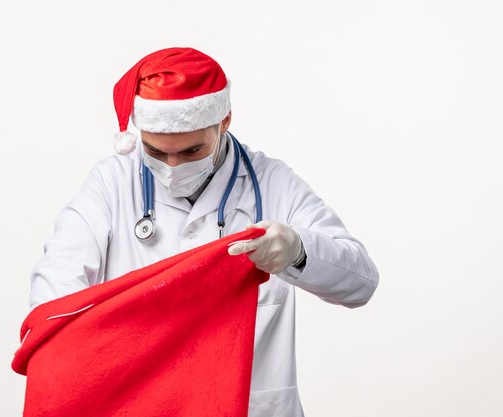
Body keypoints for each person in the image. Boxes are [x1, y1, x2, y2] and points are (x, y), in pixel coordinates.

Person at [28, 47, 379, 417]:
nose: (173, 167)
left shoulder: (274, 183)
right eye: (156, 153)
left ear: (224, 120)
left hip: (252, 407)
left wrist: (297, 252)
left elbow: (362, 283)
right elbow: (54, 292)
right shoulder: (112, 183)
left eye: (192, 150)